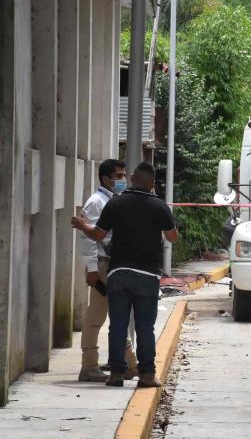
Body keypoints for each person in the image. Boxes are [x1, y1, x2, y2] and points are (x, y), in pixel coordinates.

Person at [72, 162, 178, 388]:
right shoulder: (159, 206)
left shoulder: (115, 203)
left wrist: (83, 226)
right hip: (147, 275)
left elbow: (98, 234)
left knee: (117, 324)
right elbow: (172, 237)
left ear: (132, 178)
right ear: (152, 183)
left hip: (118, 272)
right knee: (144, 326)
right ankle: (147, 375)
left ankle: (117, 374)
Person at [77, 159, 138, 382]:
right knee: (107, 316)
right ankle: (93, 365)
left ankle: (126, 364)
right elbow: (89, 239)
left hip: (112, 265)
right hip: (104, 265)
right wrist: (92, 270)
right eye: (119, 176)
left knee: (105, 315)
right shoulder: (96, 202)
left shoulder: (112, 200)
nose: (123, 180)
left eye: (124, 175)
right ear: (105, 178)